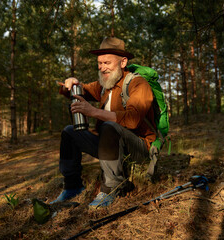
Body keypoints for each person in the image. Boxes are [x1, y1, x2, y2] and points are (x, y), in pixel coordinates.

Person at [50, 37, 156, 208]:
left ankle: (111, 188)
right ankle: (72, 186)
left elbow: (133, 119)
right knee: (69, 132)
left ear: (123, 62)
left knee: (109, 125)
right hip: (110, 145)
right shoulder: (105, 85)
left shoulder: (138, 84)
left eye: (107, 62)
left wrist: (93, 112)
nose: (102, 67)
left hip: (138, 148)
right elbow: (81, 89)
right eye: (100, 63)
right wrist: (70, 83)